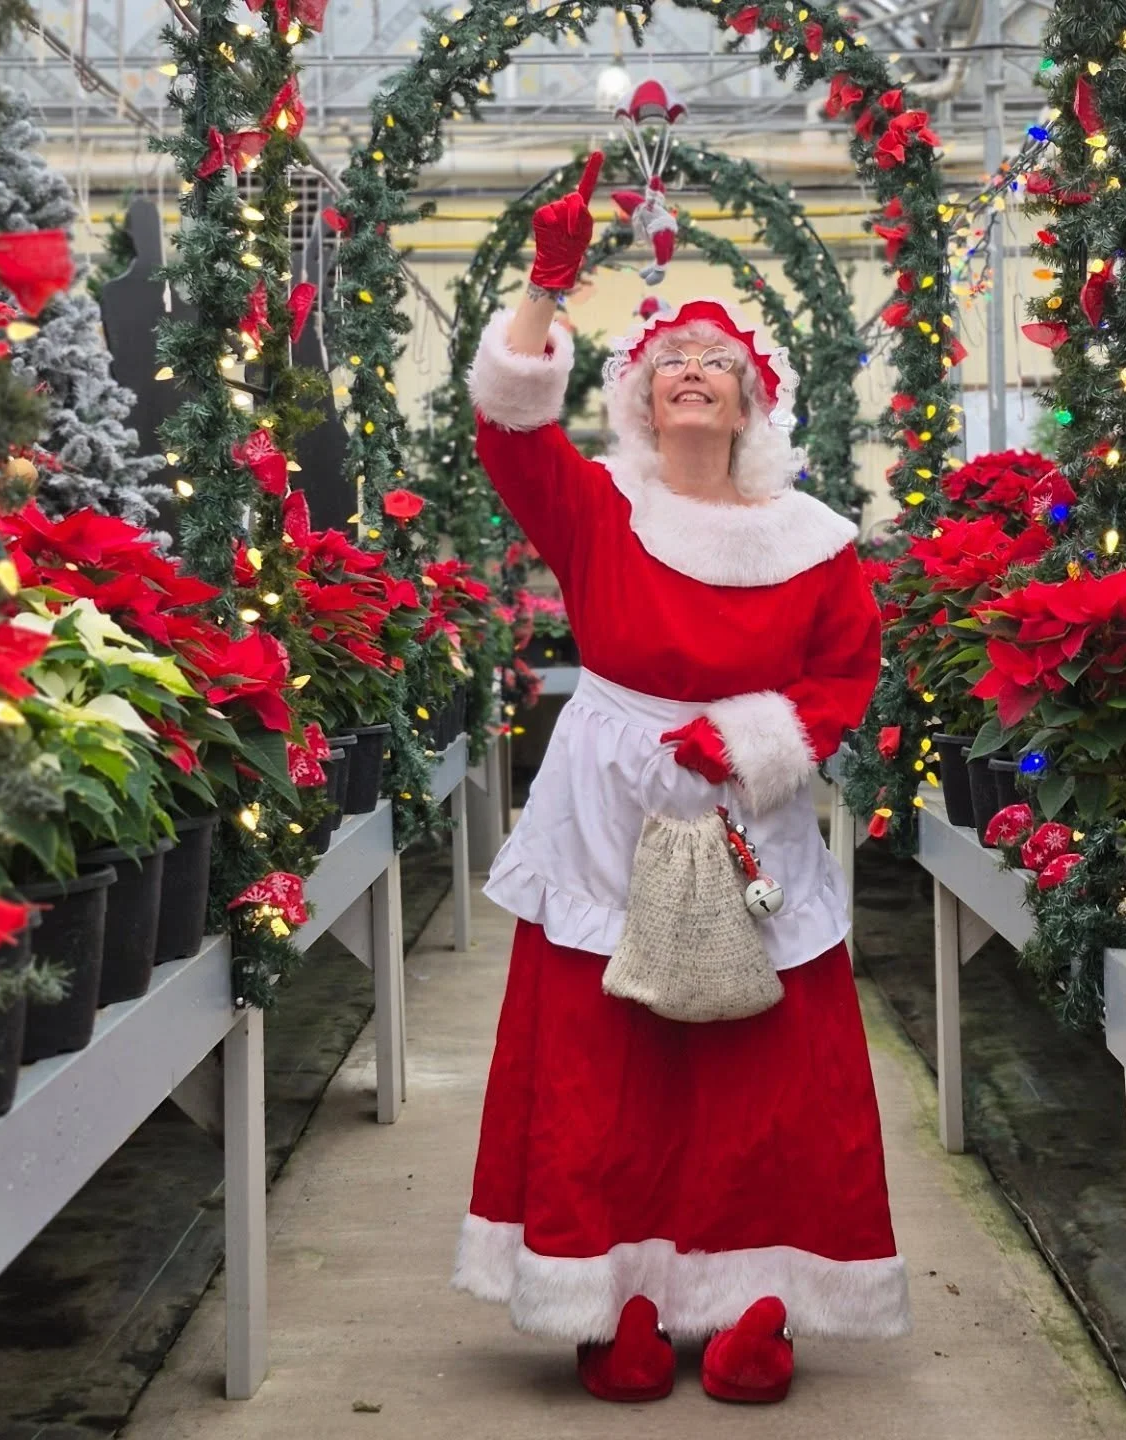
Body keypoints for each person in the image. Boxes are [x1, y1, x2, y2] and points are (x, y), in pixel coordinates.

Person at [452, 153, 908, 1405]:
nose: (690, 372)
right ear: (641, 402)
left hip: (746, 814)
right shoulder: (600, 511)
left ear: (753, 403)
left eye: (716, 362)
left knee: (767, 1058)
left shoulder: (814, 546)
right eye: (669, 364)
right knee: (609, 1050)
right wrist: (547, 286)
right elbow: (506, 430)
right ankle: (619, 1294)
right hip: (610, 803)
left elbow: (844, 676)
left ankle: (763, 1294)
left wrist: (758, 743)